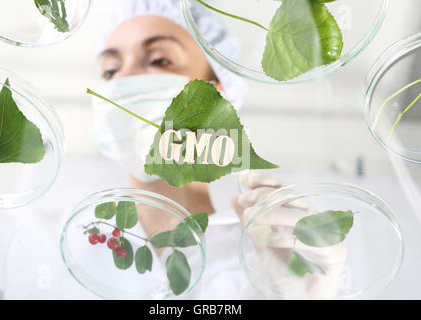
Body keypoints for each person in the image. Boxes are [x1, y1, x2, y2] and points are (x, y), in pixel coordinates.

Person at [90, 0, 346, 299]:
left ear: (216, 96)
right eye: (109, 71)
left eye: (160, 60)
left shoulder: (268, 252)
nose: (123, 79)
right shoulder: (63, 239)